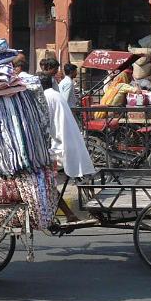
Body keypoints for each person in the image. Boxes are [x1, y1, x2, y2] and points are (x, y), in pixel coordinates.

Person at [39, 74, 95, 225]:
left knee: (43, 178)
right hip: (68, 142)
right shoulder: (55, 94)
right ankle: (83, 209)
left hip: (61, 146)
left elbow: (44, 123)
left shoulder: (45, 98)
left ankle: (68, 214)